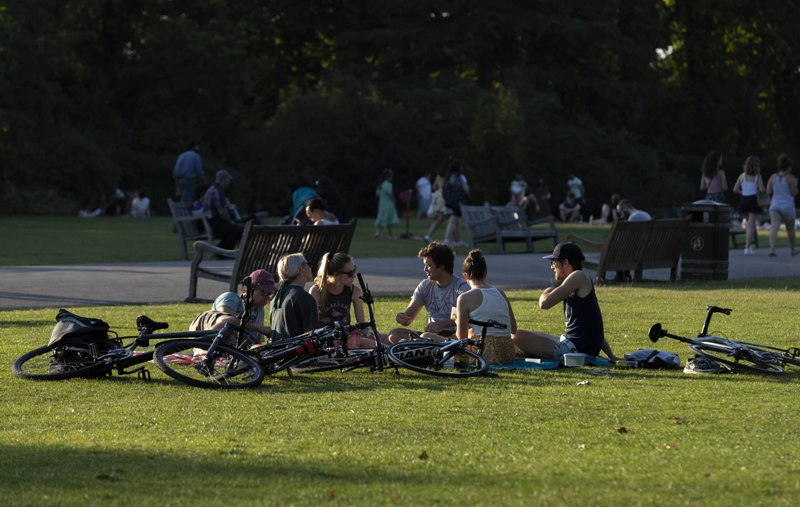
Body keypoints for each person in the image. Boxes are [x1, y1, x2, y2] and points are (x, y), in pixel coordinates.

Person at [512, 243, 620, 362]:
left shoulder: (578, 276)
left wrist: (546, 291)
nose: (552, 267)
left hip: (575, 350)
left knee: (517, 335)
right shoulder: (575, 282)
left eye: (553, 262)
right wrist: (612, 356)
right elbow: (593, 326)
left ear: (566, 263)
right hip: (574, 345)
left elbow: (544, 303)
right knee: (524, 336)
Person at [388, 241, 470, 343]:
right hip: (429, 336)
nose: (425, 269)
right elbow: (409, 316)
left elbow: (468, 321)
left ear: (442, 266)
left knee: (425, 336)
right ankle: (422, 347)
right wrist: (402, 317)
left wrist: (441, 324)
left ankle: (420, 348)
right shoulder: (425, 285)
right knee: (395, 334)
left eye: (429, 265)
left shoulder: (462, 288)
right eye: (425, 265)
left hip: (454, 337)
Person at [455, 249, 518, 365]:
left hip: (482, 353)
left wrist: (458, 323)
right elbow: (513, 329)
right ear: (485, 273)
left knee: (441, 341)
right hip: (507, 353)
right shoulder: (500, 292)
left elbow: (461, 337)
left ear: (465, 276)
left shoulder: (464, 298)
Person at [189, 269, 277, 347]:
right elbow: (224, 314)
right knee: (229, 322)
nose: (268, 297)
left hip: (237, 344)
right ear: (250, 289)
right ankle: (202, 346)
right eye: (265, 292)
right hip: (211, 331)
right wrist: (261, 329)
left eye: (270, 294)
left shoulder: (259, 311)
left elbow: (256, 342)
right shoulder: (231, 297)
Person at [308, 252, 377, 348]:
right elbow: (312, 326)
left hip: (346, 336)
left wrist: (369, 334)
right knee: (372, 344)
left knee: (383, 339)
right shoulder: (316, 291)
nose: (354, 276)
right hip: (324, 340)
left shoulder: (354, 291)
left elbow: (362, 325)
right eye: (349, 273)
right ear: (335, 273)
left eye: (354, 271)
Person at [270, 253, 319, 343]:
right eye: (309, 264)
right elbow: (312, 335)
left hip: (276, 353)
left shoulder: (277, 297)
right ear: (302, 268)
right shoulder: (304, 298)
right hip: (296, 355)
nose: (310, 267)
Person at [766, 153, 798, 257]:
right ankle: (793, 250)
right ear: (788, 167)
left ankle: (772, 249)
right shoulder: (790, 178)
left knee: (774, 227)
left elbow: (768, 191)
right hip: (787, 206)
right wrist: (795, 184)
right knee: (790, 229)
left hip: (775, 205)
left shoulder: (773, 177)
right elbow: (794, 192)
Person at [202, 169, 244, 250]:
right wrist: (231, 221)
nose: (228, 182)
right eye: (228, 180)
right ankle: (222, 252)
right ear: (223, 180)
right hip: (214, 223)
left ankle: (222, 250)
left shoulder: (214, 188)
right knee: (238, 229)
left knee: (236, 228)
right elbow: (222, 212)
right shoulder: (217, 191)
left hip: (211, 221)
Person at [732, 156, 765, 255]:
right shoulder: (758, 177)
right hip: (753, 200)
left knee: (748, 225)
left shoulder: (742, 176)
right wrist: (756, 190)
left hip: (743, 200)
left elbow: (735, 189)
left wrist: (743, 192)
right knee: (751, 225)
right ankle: (747, 247)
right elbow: (762, 189)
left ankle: (749, 246)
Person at [442, 157, 470, 247]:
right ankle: (446, 239)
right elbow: (466, 190)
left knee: (457, 220)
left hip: (449, 200)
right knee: (454, 219)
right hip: (457, 201)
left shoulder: (448, 176)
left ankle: (458, 240)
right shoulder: (460, 177)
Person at [374, 168, 400, 239]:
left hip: (382, 204)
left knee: (382, 218)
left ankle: (379, 232)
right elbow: (390, 194)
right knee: (388, 220)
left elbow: (377, 194)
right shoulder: (389, 184)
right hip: (388, 204)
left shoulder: (380, 184)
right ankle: (388, 234)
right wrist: (394, 200)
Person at [423, 175, 447, 243]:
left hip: (439, 196)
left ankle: (428, 235)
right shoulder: (447, 176)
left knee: (442, 219)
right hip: (444, 197)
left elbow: (434, 187)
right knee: (450, 218)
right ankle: (429, 235)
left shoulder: (438, 176)